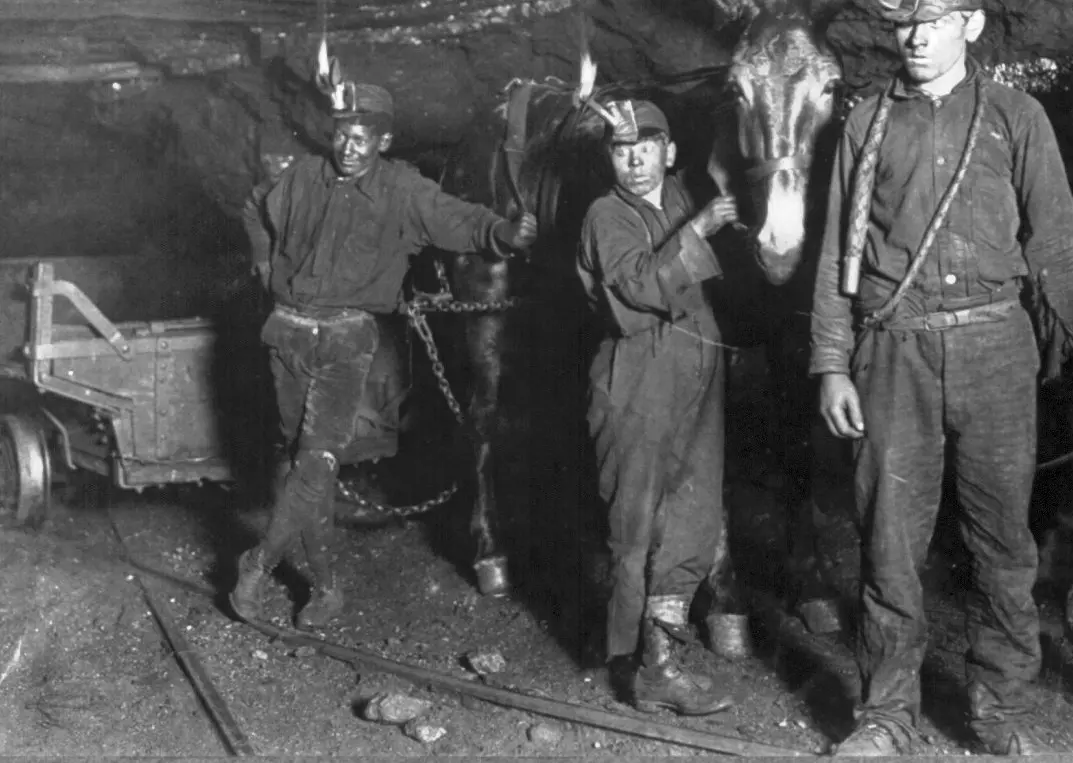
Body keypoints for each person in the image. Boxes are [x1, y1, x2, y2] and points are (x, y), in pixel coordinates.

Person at [810, 0, 1073, 756]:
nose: (915, 39)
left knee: (1001, 544)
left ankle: (998, 711)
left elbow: (1061, 249)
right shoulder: (865, 122)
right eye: (904, 25)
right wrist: (830, 363)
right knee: (888, 541)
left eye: (934, 24)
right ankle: (883, 715)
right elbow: (835, 252)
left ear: (970, 27)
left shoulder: (1015, 118)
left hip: (992, 348)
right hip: (892, 351)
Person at [231, 80, 538, 630]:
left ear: (385, 140)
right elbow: (255, 204)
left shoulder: (404, 191)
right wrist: (262, 263)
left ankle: (257, 564)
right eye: (343, 134)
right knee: (304, 465)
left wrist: (502, 233)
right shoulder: (302, 176)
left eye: (363, 138)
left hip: (346, 339)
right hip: (286, 333)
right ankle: (325, 588)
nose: (349, 147)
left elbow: (461, 219)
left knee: (317, 459)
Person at [576, 98, 739, 716]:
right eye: (621, 150)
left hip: (699, 364)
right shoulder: (604, 215)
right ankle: (645, 670)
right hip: (637, 373)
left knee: (694, 509)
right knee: (636, 524)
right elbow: (641, 286)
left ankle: (663, 654)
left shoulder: (677, 193)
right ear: (608, 158)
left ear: (671, 153)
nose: (636, 160)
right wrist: (699, 230)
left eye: (648, 147)